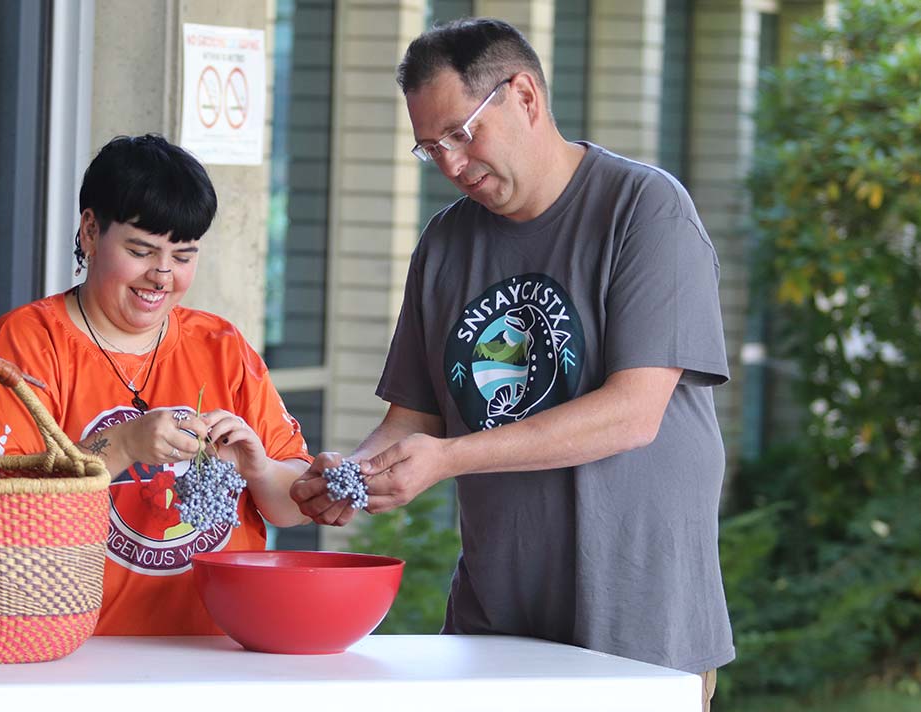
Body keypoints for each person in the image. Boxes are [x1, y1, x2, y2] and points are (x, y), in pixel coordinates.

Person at [290, 18, 731, 710]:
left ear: (523, 96)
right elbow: (415, 419)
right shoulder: (445, 244)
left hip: (640, 625)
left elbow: (632, 413)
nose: (450, 165)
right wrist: (357, 472)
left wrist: (450, 458)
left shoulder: (645, 211)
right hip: (495, 623)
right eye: (429, 147)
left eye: (461, 134)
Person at [0, 133, 310, 636]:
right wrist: (122, 444)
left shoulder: (222, 347)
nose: (162, 274)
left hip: (219, 648)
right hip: (70, 652)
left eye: (183, 256)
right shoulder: (25, 344)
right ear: (91, 231)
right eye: (141, 251)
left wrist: (259, 468)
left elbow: (292, 507)